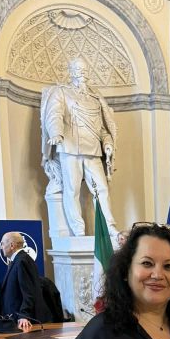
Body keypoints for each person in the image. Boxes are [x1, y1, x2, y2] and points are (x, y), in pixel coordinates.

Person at [41, 58, 118, 238]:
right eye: (77, 69)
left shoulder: (95, 98)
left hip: (93, 149)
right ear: (71, 72)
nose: (81, 73)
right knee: (72, 190)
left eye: (84, 70)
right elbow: (54, 114)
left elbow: (101, 128)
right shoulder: (61, 92)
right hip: (69, 147)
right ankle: (78, 230)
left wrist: (107, 143)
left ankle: (109, 226)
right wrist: (56, 133)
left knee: (102, 189)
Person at [0, 231, 51, 332]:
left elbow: (29, 291)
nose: (1, 247)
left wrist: (24, 315)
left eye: (3, 243)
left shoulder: (22, 261)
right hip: (14, 320)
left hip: (22, 322)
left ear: (12, 245)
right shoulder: (17, 260)